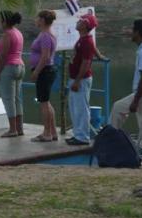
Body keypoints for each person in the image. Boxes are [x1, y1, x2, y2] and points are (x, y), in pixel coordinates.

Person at [110, 19, 142, 164]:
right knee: (121, 110)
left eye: (132, 30)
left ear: (138, 32)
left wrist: (135, 101)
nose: (130, 33)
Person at [66, 13, 99, 146]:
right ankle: (77, 134)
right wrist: (100, 55)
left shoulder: (86, 42)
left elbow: (86, 62)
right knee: (75, 107)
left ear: (85, 25)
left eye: (80, 21)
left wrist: (78, 81)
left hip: (81, 80)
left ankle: (83, 137)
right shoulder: (83, 39)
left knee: (81, 108)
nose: (77, 22)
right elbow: (93, 51)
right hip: (75, 78)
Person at [0, 10, 25, 137]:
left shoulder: (7, 34)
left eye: (0, 20)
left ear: (5, 22)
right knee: (17, 99)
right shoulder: (18, 32)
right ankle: (19, 128)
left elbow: (3, 56)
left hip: (9, 68)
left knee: (8, 100)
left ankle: (12, 130)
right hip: (20, 67)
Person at [29, 10, 58, 142]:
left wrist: (36, 71)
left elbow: (45, 56)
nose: (36, 20)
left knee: (44, 103)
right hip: (47, 71)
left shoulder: (46, 35)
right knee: (46, 102)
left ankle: (46, 133)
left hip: (44, 71)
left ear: (42, 20)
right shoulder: (45, 34)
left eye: (37, 18)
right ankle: (52, 131)